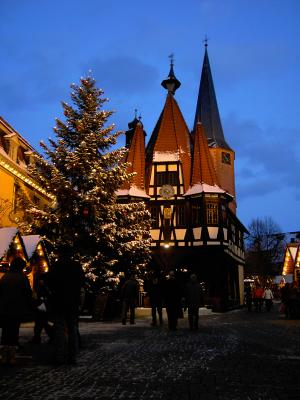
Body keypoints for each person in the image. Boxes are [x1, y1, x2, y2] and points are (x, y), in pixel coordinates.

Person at [47, 251, 85, 365]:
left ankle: (59, 356)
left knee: (59, 329)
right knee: (72, 329)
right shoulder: (76, 266)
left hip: (58, 301)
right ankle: (72, 356)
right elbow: (82, 281)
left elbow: (49, 282)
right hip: (72, 302)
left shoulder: (56, 266)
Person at [0, 257, 32, 365]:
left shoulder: (5, 277)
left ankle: (4, 355)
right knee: (14, 331)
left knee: (5, 332)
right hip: (16, 309)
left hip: (4, 309)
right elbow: (28, 294)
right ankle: (12, 355)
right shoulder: (22, 278)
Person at [29, 273, 53, 344]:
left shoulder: (42, 287)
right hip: (44, 306)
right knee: (42, 323)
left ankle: (38, 338)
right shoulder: (46, 286)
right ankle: (50, 337)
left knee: (40, 323)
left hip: (42, 306)